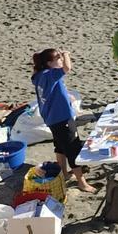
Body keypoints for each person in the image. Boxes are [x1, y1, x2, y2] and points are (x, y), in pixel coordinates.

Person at [31, 49, 95, 193]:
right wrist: (66, 54)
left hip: (51, 118)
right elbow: (67, 68)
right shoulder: (51, 74)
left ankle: (64, 173)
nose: (60, 61)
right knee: (73, 149)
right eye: (57, 59)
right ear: (49, 63)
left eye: (60, 58)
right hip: (61, 117)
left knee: (60, 145)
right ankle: (82, 182)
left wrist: (67, 96)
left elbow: (52, 90)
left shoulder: (39, 75)